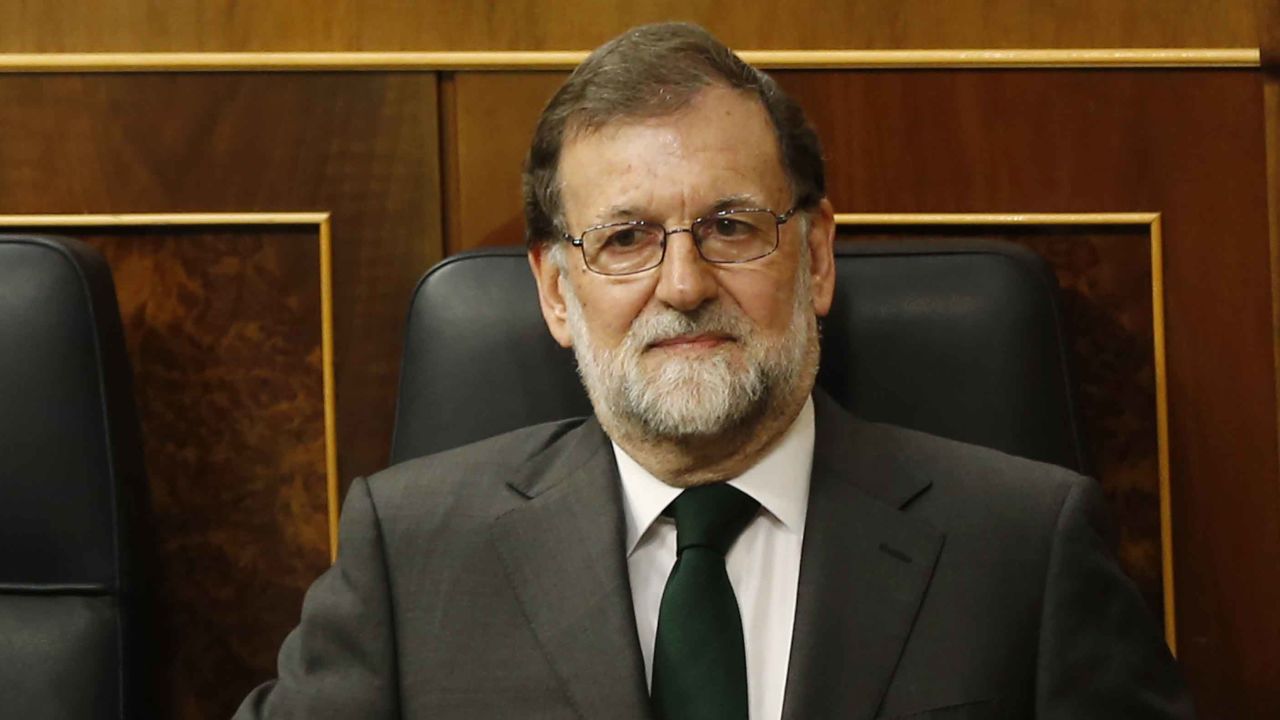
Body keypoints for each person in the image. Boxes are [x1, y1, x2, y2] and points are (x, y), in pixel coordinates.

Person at [235, 22, 1194, 720]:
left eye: (732, 226)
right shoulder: (409, 554)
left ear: (816, 257)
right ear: (558, 293)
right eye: (625, 239)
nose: (683, 284)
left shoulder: (1026, 545)